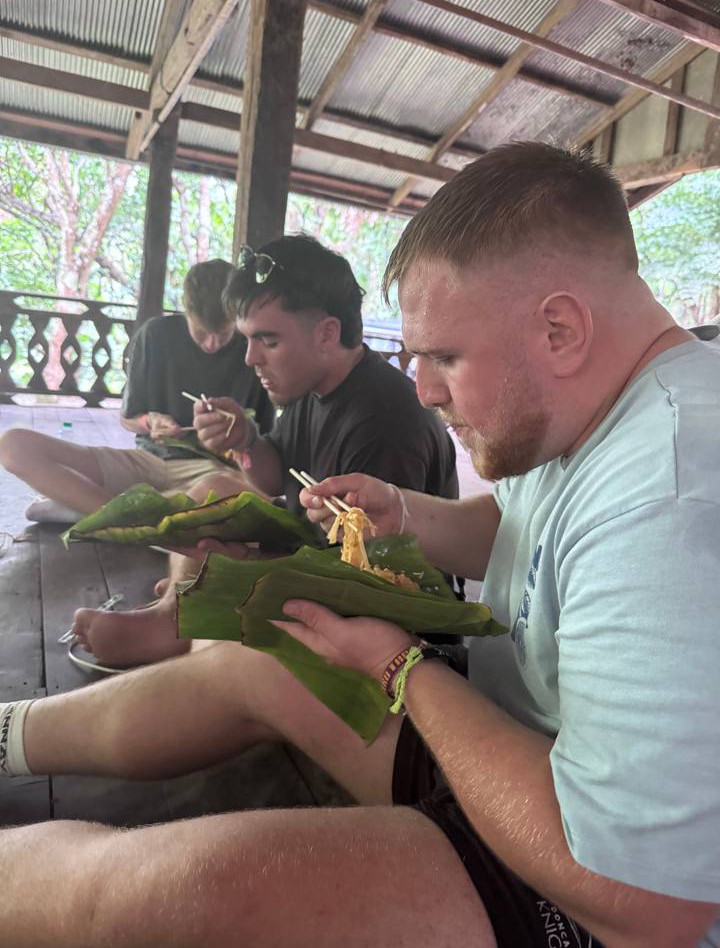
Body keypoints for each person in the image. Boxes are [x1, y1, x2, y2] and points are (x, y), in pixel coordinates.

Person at [0, 143, 718, 948]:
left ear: (560, 328)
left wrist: (400, 668)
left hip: (594, 887)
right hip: (515, 746)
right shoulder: (597, 407)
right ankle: (6, 736)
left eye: (445, 357)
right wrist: (406, 515)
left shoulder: (676, 492)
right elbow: (522, 530)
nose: (424, 389)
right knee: (256, 657)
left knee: (163, 895)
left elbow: (644, 899)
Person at [71, 234, 458, 666]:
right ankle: (173, 613)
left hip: (391, 626)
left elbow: (370, 584)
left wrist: (254, 562)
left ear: (327, 333)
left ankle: (181, 619)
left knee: (217, 648)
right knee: (215, 487)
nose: (249, 358)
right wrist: (245, 441)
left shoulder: (384, 421)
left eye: (267, 341)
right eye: (248, 340)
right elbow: (274, 477)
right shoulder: (312, 386)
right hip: (314, 556)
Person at [0, 259, 274, 523]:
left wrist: (238, 437)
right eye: (201, 333)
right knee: (14, 445)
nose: (212, 344)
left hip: (212, 472)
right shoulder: (155, 335)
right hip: (147, 461)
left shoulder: (253, 351)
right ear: (186, 312)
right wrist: (150, 421)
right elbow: (128, 418)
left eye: (223, 334)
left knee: (253, 496)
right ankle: (152, 516)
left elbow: (264, 447)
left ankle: (98, 510)